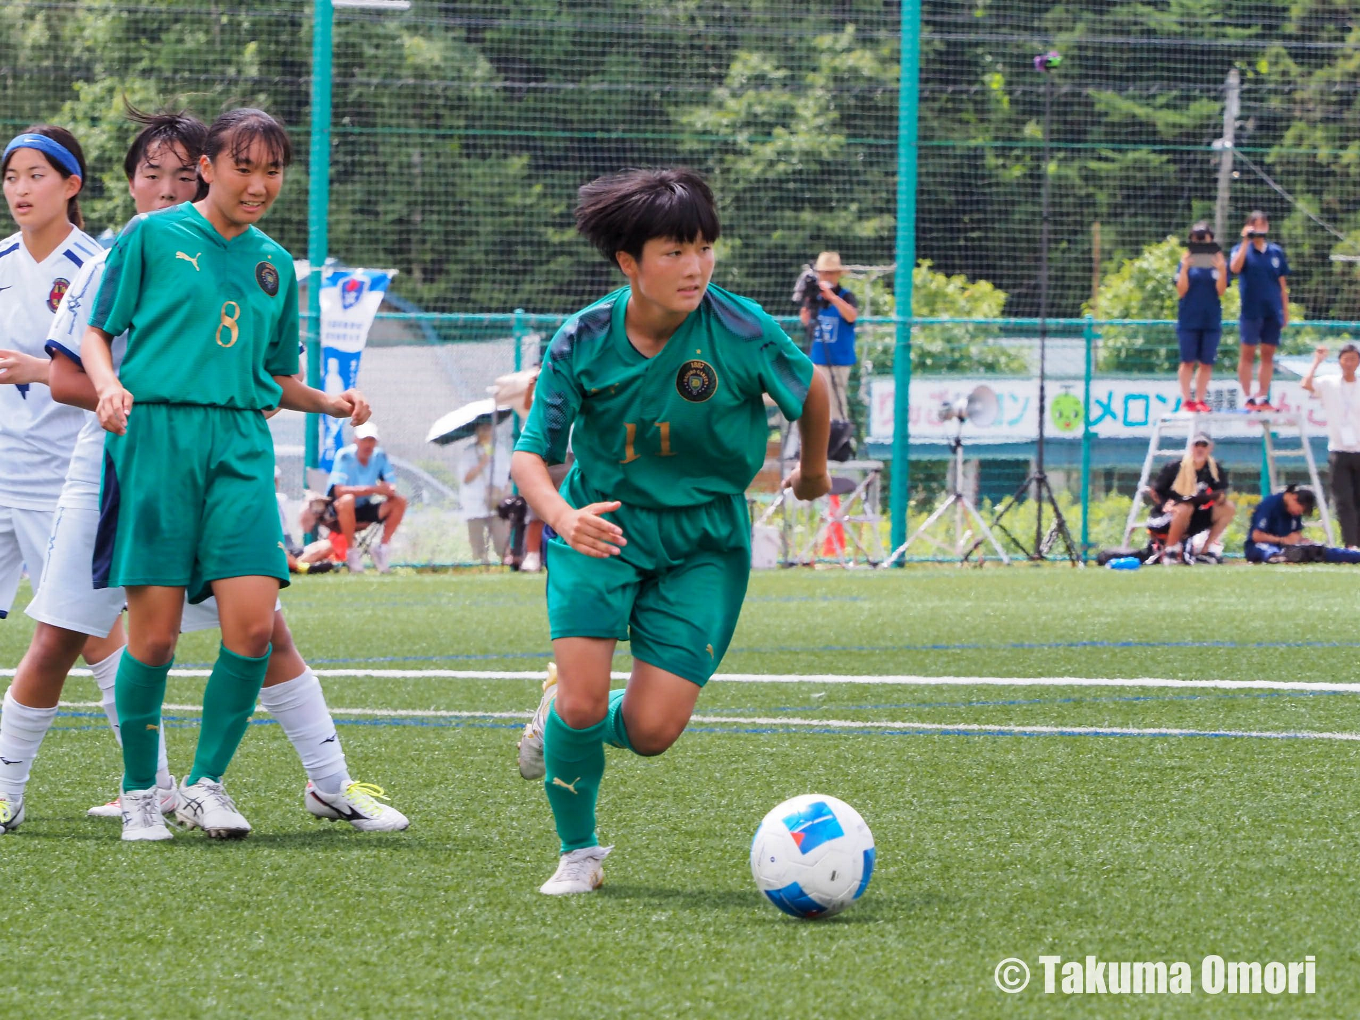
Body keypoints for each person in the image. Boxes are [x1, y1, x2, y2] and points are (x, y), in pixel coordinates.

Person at [76, 108, 395, 843]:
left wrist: (330, 402)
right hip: (157, 441)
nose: (259, 184)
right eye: (243, 167)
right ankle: (141, 795)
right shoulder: (150, 236)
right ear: (208, 169)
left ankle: (205, 785)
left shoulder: (275, 264)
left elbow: (275, 376)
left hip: (241, 446)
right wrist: (108, 385)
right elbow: (97, 330)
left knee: (252, 629)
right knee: (153, 641)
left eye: (272, 171)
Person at [510, 168, 830, 895]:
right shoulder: (582, 338)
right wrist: (561, 516)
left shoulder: (741, 327)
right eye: (675, 252)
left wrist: (811, 471)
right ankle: (578, 853)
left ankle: (558, 719)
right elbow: (530, 456)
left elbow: (810, 386)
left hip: (705, 541)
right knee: (583, 700)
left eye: (704, 247)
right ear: (629, 262)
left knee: (652, 731)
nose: (696, 267)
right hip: (603, 526)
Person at [0, 124, 107, 835]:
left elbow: (106, 378)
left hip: (60, 482)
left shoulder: (95, 267)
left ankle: (153, 783)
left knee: (93, 640)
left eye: (36, 175)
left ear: (71, 185)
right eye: (11, 177)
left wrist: (42, 371)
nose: (20, 189)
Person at [1229, 211, 1290, 411]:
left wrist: (1285, 310)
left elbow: (1282, 284)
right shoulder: (1240, 249)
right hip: (1251, 311)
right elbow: (1235, 268)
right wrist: (1245, 241)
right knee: (1247, 353)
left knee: (1268, 354)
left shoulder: (1275, 252)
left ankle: (1263, 397)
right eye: (1254, 225)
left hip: (1272, 310)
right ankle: (1248, 397)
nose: (1259, 228)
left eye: (1262, 224)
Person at [1301, 343, 1360, 548]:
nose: (1349, 363)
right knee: (1343, 501)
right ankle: (1351, 545)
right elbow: (1306, 384)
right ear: (1339, 362)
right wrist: (1316, 362)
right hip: (1338, 450)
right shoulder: (1329, 383)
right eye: (1346, 359)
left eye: (1353, 359)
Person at [327, 420, 405, 573]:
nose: (368, 445)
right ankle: (351, 552)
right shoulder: (344, 456)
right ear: (355, 440)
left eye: (371, 440)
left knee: (400, 501)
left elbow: (391, 485)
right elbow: (339, 491)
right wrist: (375, 489)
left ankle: (382, 548)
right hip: (339, 512)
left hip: (364, 507)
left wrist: (389, 489)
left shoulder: (380, 456)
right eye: (364, 440)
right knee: (347, 500)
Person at [1146, 433, 1234, 564]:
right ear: (1191, 447)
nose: (1200, 449)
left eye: (1204, 445)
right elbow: (1155, 490)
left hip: (1193, 514)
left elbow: (1221, 491)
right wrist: (1165, 504)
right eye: (1196, 445)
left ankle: (1205, 550)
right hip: (1165, 516)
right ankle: (1171, 551)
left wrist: (1219, 498)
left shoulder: (1213, 468)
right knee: (1184, 507)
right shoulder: (1176, 467)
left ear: (1210, 448)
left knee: (1228, 507)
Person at [1173, 222, 1227, 412]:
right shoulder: (1186, 260)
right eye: (1197, 237)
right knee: (1187, 360)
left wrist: (1222, 269)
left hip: (1210, 319)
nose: (1200, 241)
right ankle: (1187, 399)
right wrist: (1184, 268)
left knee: (1206, 362)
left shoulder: (1217, 260)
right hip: (1189, 319)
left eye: (1204, 237)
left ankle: (1200, 399)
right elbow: (1181, 290)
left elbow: (1221, 291)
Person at [798, 251, 858, 421]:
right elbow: (807, 322)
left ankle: (838, 433)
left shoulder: (846, 296)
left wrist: (832, 297)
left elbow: (851, 316)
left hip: (839, 361)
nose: (827, 277)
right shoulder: (815, 298)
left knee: (836, 405)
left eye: (831, 273)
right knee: (814, 401)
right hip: (817, 359)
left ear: (838, 275)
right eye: (823, 273)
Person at [459, 421, 511, 564]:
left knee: (501, 541)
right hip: (474, 503)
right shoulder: (469, 452)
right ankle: (481, 564)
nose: (486, 432)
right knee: (477, 544)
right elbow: (465, 478)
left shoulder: (500, 450)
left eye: (489, 429)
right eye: (483, 429)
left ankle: (505, 562)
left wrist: (503, 493)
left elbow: (506, 475)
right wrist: (482, 463)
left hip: (495, 501)